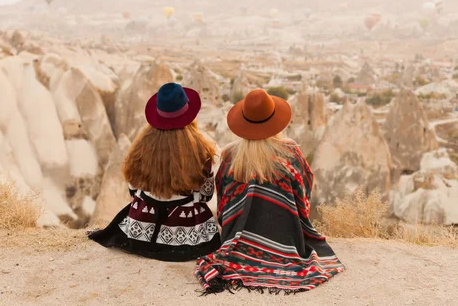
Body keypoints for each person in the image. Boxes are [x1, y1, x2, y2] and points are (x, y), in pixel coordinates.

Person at [195, 89, 344, 294]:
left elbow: (223, 203)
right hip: (286, 238)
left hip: (235, 239)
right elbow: (304, 195)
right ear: (275, 120)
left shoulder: (230, 155)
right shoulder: (291, 154)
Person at [88, 83, 221, 261]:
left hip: (141, 232)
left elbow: (133, 189)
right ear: (189, 114)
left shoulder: (140, 148)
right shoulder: (201, 152)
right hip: (189, 236)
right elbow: (206, 195)